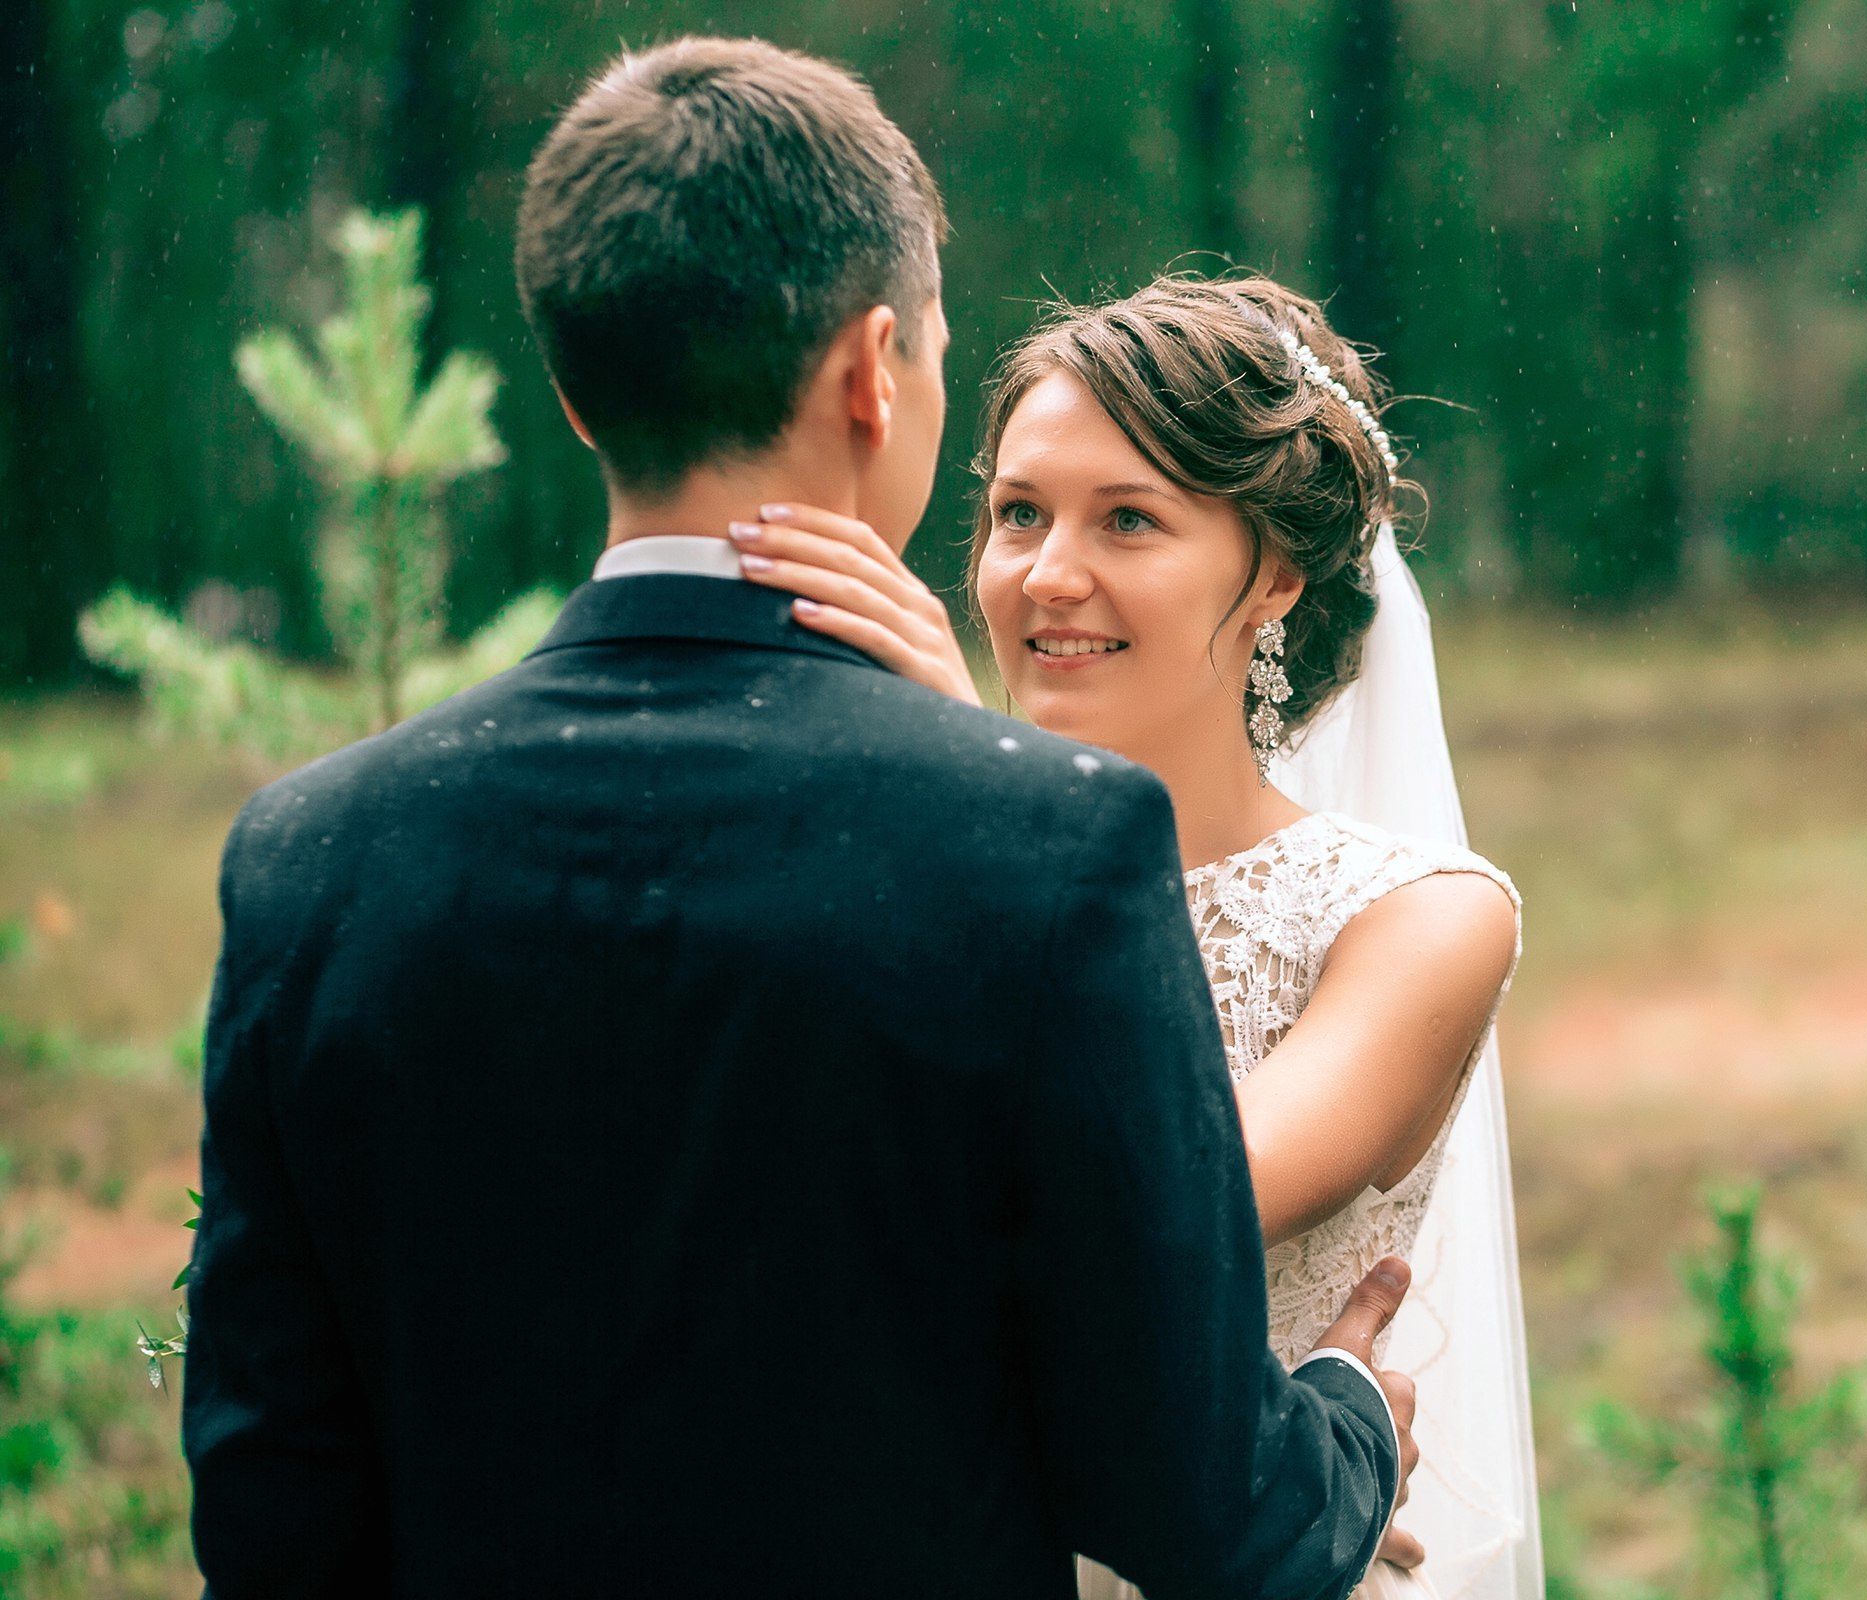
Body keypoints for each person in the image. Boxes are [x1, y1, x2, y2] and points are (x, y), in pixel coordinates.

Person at [181, 39, 1422, 1599]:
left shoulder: (311, 857)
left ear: (574, 394)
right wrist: (1350, 1417)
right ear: (871, 369)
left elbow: (273, 1511)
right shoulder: (1044, 849)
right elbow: (1199, 1507)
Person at [729, 276, 1544, 1599]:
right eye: (1018, 514)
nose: (1050, 576)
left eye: (1129, 519)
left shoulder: (1419, 919)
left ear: (1274, 573)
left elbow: (1164, 1206)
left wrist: (983, 782)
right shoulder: (882, 877)